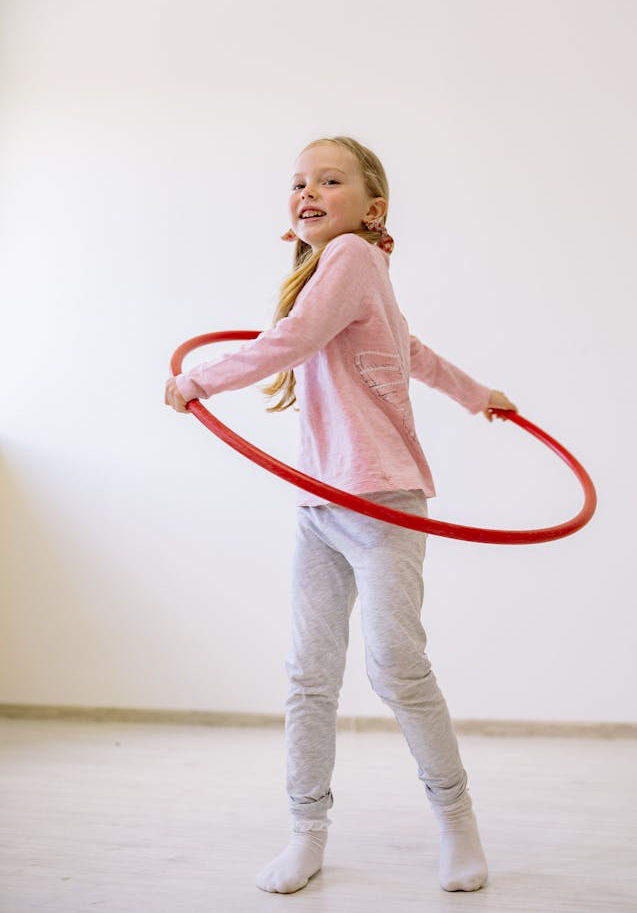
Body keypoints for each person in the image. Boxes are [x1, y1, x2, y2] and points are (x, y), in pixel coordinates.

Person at [164, 135, 517, 894]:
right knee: (309, 674)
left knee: (395, 667)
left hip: (382, 501)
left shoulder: (354, 258)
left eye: (329, 178)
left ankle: (457, 821)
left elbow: (292, 343)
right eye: (298, 181)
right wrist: (474, 390)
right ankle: (306, 831)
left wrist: (200, 380)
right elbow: (408, 349)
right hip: (322, 503)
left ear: (372, 208)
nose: (308, 190)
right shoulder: (343, 268)